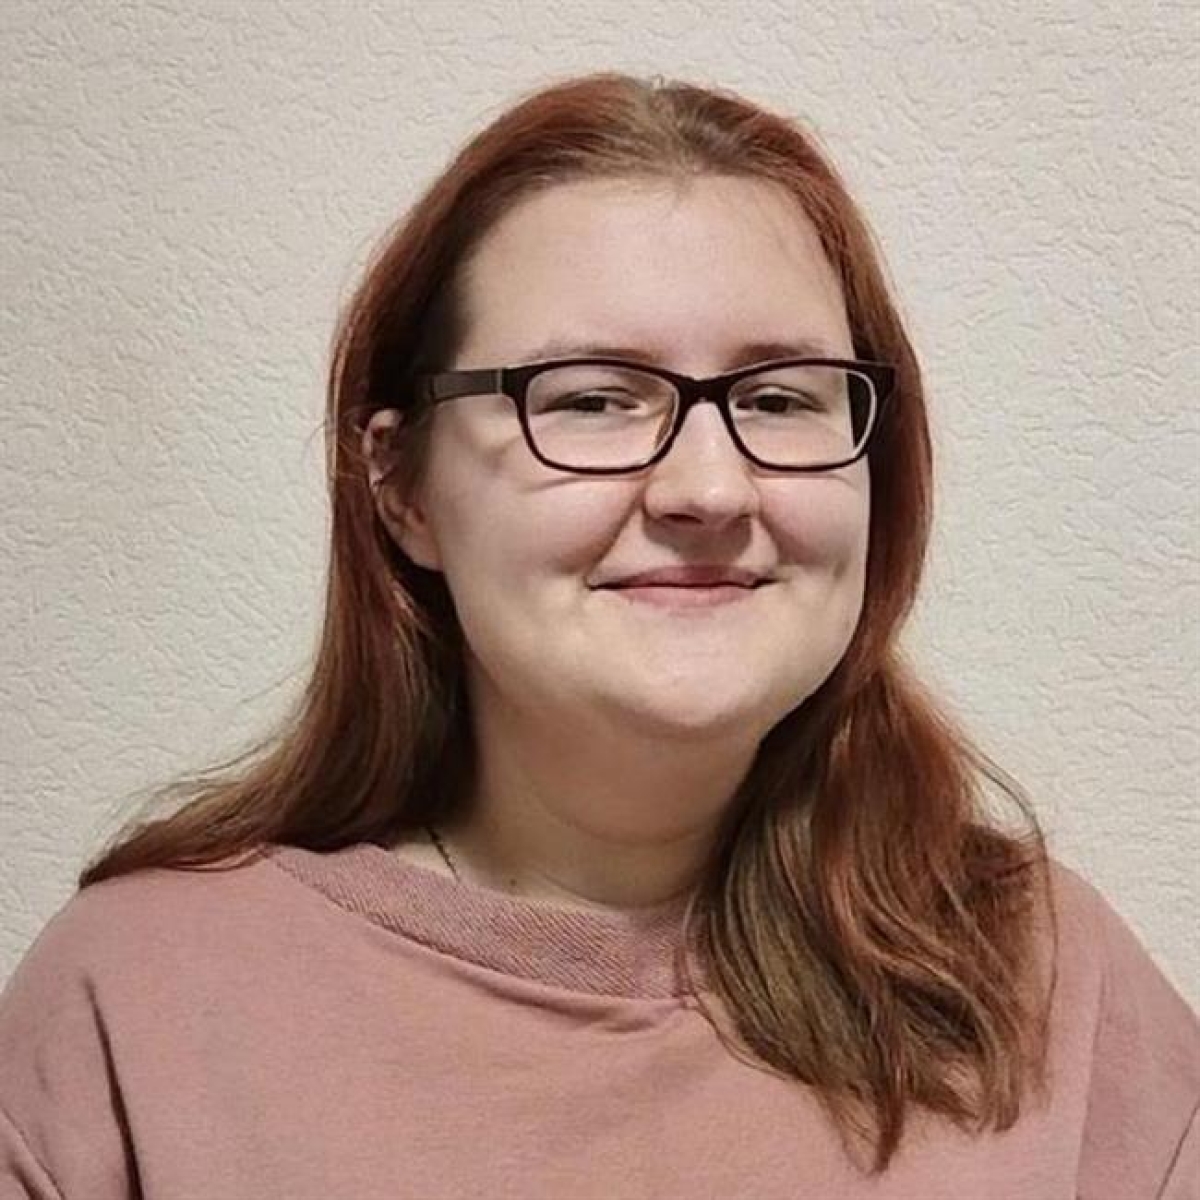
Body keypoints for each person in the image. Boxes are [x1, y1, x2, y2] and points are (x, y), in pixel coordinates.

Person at [1, 73, 1196, 1200]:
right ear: (402, 486)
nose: (709, 490)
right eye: (590, 399)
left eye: (780, 397)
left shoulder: (1047, 984)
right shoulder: (141, 1005)